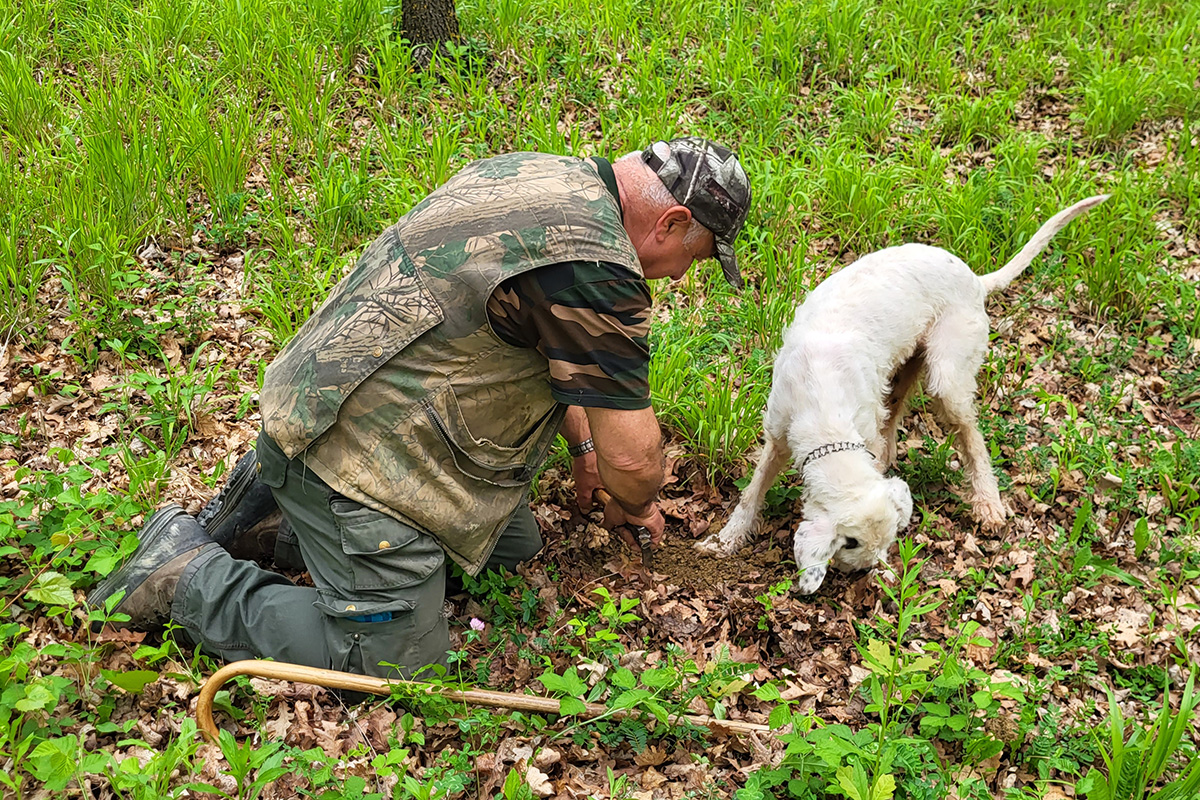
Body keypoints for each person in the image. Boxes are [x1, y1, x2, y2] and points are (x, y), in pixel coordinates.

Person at [87, 138, 752, 677]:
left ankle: (275, 508)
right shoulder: (599, 268)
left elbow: (563, 356)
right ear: (673, 221)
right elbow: (635, 461)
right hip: (355, 457)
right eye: (690, 257)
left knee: (507, 544)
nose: (679, 275)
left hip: (321, 397)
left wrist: (581, 452)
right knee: (392, 658)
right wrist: (634, 501)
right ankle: (184, 574)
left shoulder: (541, 175)